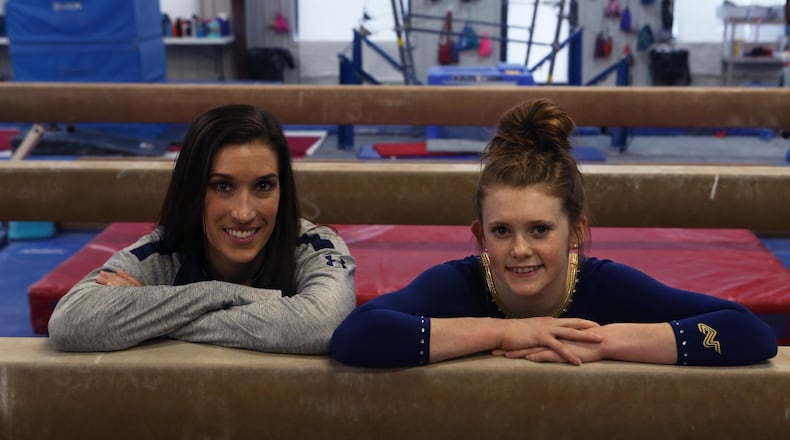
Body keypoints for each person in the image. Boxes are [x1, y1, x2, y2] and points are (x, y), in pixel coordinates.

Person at [331, 98, 777, 368]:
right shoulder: (459, 283)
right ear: (480, 236)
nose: (520, 250)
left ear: (576, 232)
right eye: (501, 231)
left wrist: (605, 341)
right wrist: (506, 332)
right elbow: (356, 336)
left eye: (540, 229)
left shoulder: (607, 285)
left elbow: (748, 332)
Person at [48, 104, 356, 353]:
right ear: (194, 191)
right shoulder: (163, 252)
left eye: (263, 186)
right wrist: (232, 296)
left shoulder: (312, 245)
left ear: (282, 190)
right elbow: (69, 321)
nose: (244, 212)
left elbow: (323, 324)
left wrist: (154, 309)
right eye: (222, 186)